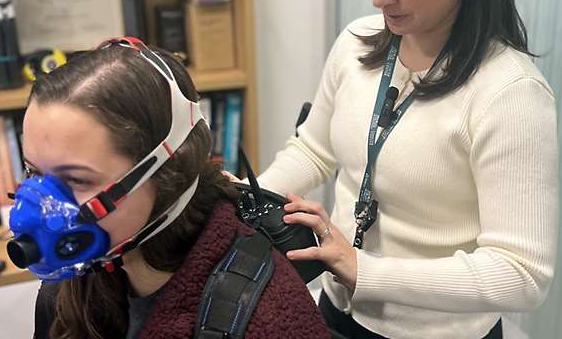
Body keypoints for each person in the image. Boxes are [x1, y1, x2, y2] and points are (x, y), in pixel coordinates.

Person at [255, 0, 558, 339]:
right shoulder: (356, 43)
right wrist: (246, 201)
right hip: (336, 309)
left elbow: (521, 274)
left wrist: (365, 268)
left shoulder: (510, 95)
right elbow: (313, 149)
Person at [19, 37, 330, 339]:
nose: (42, 203)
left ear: (167, 171)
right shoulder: (73, 286)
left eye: (77, 180)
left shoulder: (267, 318)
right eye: (34, 172)